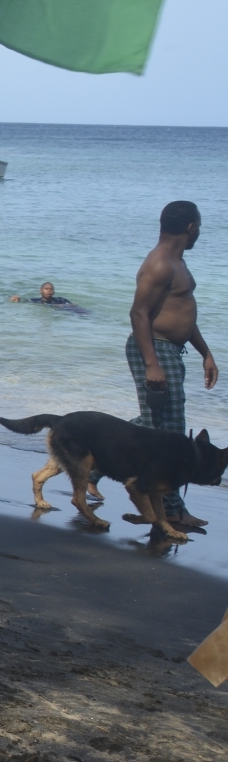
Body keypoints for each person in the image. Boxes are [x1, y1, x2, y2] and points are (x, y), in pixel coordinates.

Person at [127, 200, 217, 533]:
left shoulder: (177, 262)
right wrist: (152, 364)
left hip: (171, 349)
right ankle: (173, 510)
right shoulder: (161, 264)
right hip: (155, 348)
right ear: (191, 228)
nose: (199, 232)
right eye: (199, 227)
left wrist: (206, 353)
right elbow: (138, 313)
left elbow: (182, 313)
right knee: (171, 435)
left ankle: (94, 465)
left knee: (154, 424)